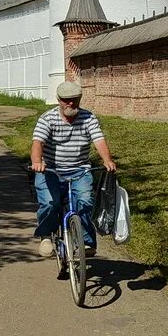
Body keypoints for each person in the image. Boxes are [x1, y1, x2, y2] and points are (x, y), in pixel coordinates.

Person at [30, 81, 116, 259]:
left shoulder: (88, 118)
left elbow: (98, 139)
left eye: (74, 99)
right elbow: (38, 142)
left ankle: (86, 242)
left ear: (79, 99)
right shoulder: (48, 119)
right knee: (49, 203)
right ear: (59, 100)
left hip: (79, 171)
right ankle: (46, 236)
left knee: (85, 201)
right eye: (66, 100)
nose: (70, 103)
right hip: (50, 171)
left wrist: (107, 160)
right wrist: (37, 162)